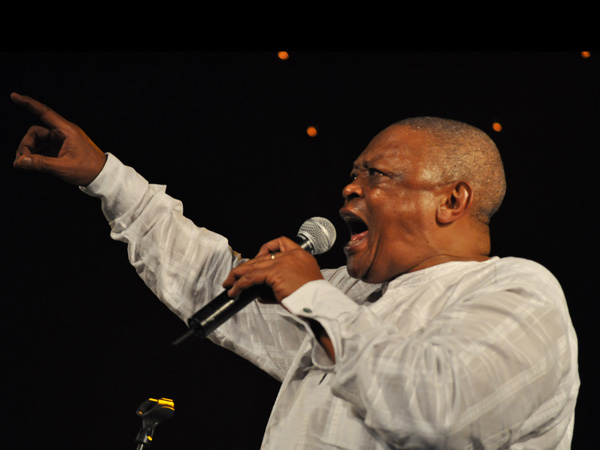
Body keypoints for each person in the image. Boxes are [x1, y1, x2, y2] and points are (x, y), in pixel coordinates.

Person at [11, 92, 579, 449]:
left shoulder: (521, 291)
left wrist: (312, 293)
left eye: (375, 175)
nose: (349, 188)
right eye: (353, 173)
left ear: (452, 201)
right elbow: (215, 276)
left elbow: (442, 407)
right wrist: (106, 177)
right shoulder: (352, 296)